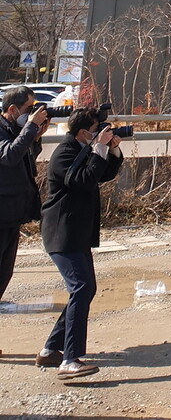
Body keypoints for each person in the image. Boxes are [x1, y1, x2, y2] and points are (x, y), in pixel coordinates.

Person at [38, 107, 123, 380]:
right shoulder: (64, 153)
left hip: (76, 233)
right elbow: (84, 180)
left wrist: (112, 151)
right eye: (97, 129)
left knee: (85, 288)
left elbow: (101, 174)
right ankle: (70, 360)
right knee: (82, 287)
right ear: (84, 132)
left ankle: (51, 349)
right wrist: (98, 149)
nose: (100, 133)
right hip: (62, 233)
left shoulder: (81, 149)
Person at [0, 86, 49, 356]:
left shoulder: (16, 131)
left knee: (3, 277)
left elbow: (25, 159)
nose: (31, 114)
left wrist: (36, 136)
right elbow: (8, 157)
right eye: (28, 109)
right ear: (11, 110)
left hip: (11, 215)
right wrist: (29, 129)